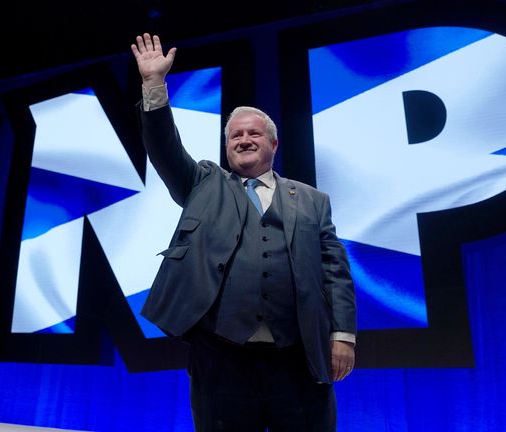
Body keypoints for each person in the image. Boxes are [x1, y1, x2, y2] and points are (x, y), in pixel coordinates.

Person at [131, 34, 357, 431]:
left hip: (297, 357)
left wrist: (343, 336)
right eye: (235, 136)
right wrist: (154, 86)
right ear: (227, 147)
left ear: (273, 143)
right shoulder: (203, 183)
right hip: (221, 357)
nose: (244, 140)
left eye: (253, 133)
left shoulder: (312, 200)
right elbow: (165, 149)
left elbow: (334, 273)